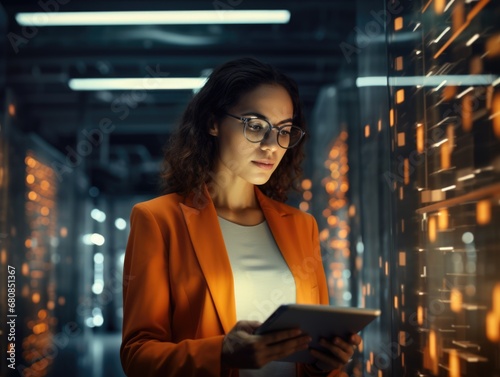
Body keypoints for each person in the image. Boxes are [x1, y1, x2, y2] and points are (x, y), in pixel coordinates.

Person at [120, 57, 361, 377]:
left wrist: (326, 362)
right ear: (213, 122)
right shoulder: (158, 220)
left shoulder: (302, 226)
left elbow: (310, 351)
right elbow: (138, 355)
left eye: (284, 131)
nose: (271, 146)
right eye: (256, 125)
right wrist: (221, 353)